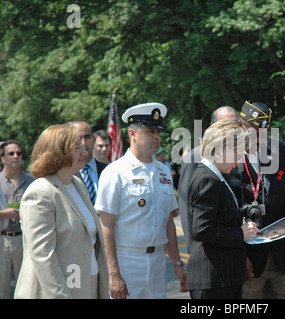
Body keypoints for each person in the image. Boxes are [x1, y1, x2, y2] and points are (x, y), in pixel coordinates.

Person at [95, 102, 187, 299]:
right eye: (149, 131)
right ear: (132, 134)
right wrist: (113, 274)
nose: (156, 136)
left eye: (158, 131)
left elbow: (168, 221)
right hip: (127, 260)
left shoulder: (163, 172)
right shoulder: (115, 172)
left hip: (157, 261)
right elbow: (106, 226)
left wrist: (177, 263)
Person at [14, 124, 109, 298]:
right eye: (77, 148)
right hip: (57, 291)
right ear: (59, 153)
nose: (84, 153)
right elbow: (44, 257)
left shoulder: (77, 185)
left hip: (89, 285)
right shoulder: (40, 192)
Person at [227, 100, 285, 299]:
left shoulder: (281, 150)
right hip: (248, 257)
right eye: (252, 130)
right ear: (240, 125)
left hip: (282, 255)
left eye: (262, 132)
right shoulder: (227, 156)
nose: (257, 136)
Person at [187, 119, 258, 299]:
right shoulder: (207, 179)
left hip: (220, 279)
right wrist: (240, 233)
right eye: (237, 153)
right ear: (221, 148)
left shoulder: (214, 176)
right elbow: (203, 229)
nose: (239, 161)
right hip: (214, 281)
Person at [178, 106, 239, 252]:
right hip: (207, 251)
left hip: (232, 245)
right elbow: (187, 207)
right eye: (226, 125)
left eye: (236, 125)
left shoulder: (236, 155)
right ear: (213, 128)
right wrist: (193, 250)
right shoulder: (195, 157)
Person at [0, 140, 34, 298]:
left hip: (24, 240)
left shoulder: (32, 182)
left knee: (26, 287)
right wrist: (2, 214)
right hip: (3, 240)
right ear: (3, 158)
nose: (15, 156)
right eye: (11, 153)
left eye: (19, 153)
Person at [72, 120, 107, 204]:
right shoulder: (65, 174)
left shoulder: (108, 171)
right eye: (79, 138)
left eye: (87, 137)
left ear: (93, 139)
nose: (84, 143)